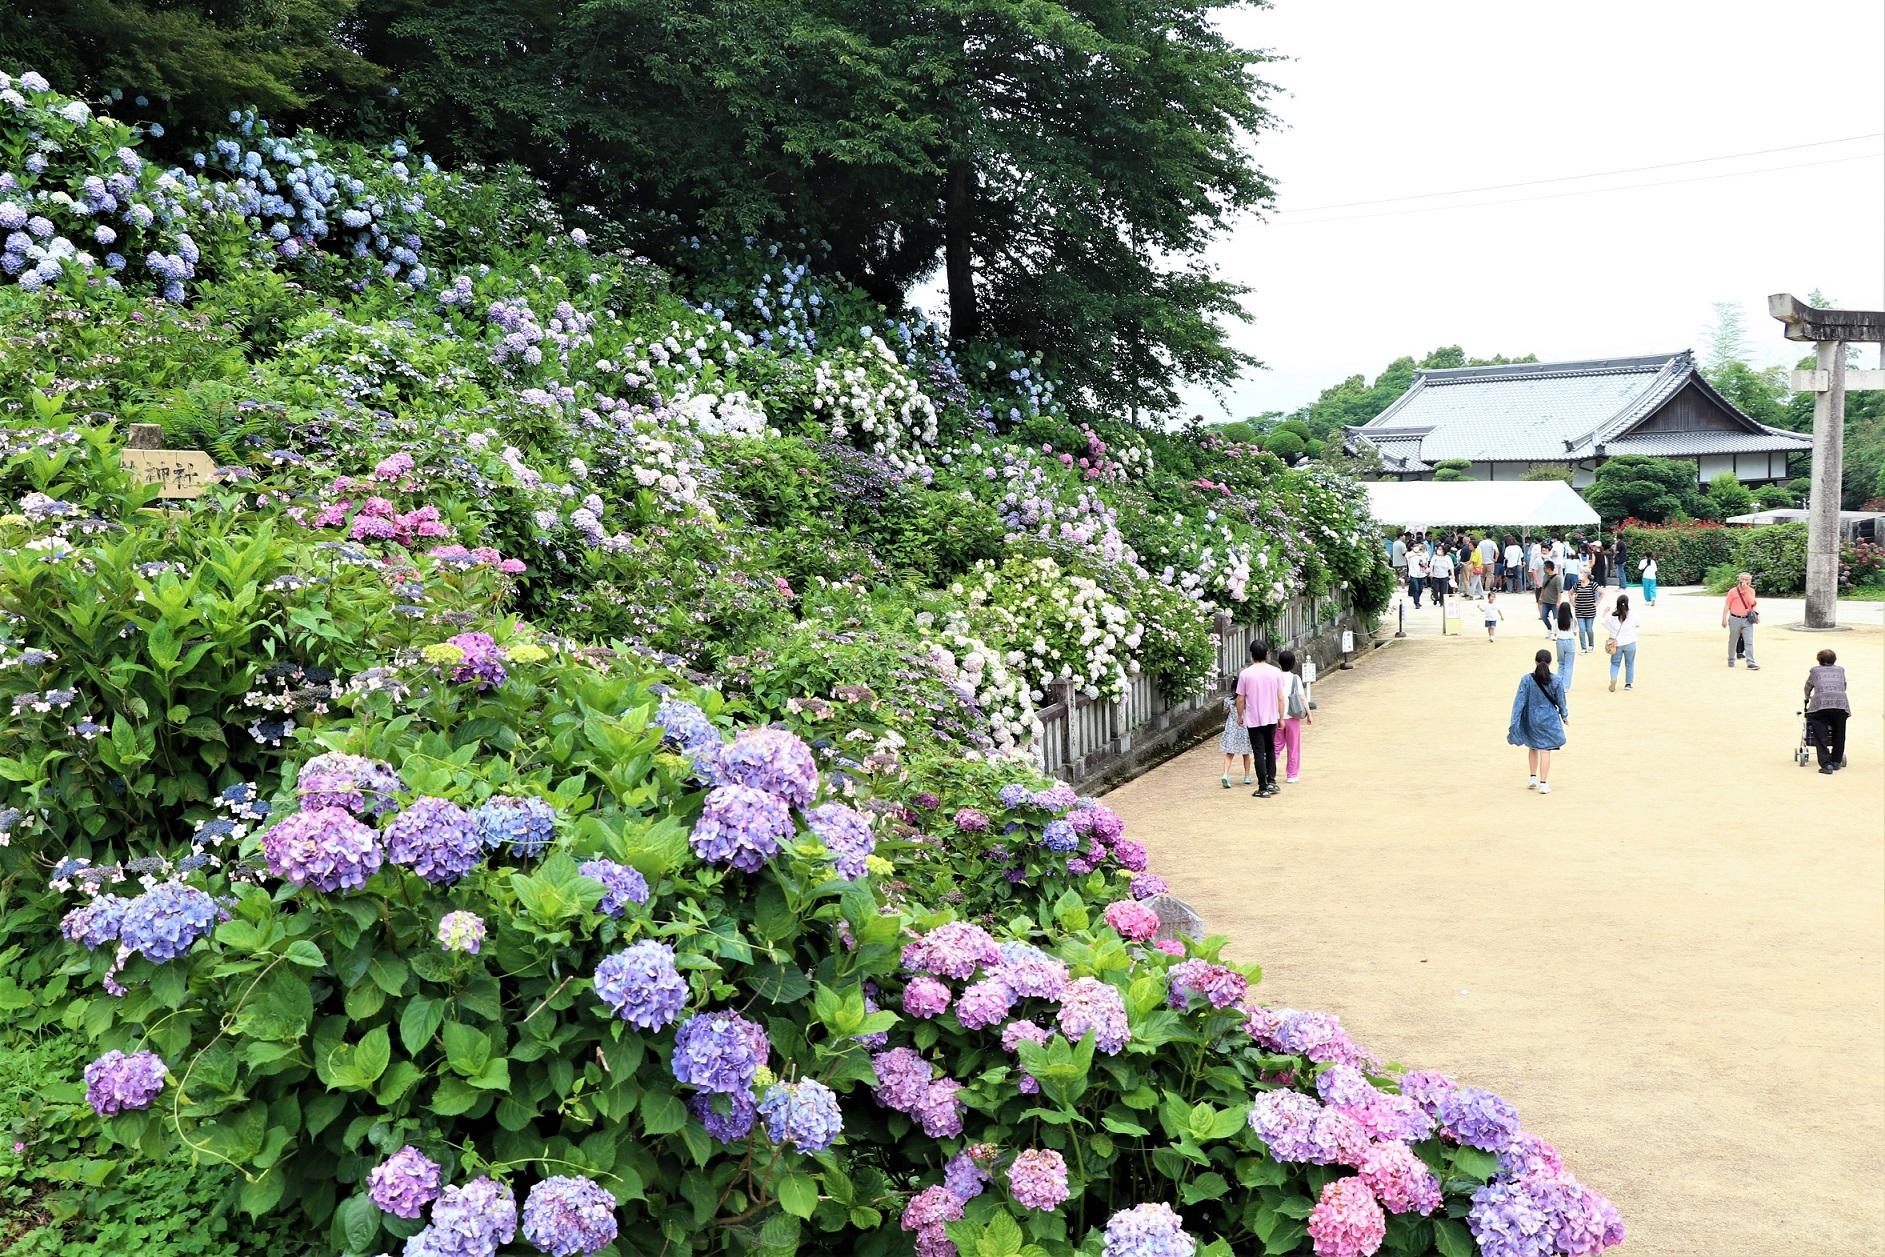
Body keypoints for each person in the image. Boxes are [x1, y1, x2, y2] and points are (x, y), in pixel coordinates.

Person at [1509, 648, 1568, 794]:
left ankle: (1532, 777)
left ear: (1535, 661)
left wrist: (1515, 721)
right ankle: (1543, 783)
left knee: (1533, 747)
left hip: (1531, 718)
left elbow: (1519, 702)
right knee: (1546, 751)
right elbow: (1561, 701)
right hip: (1549, 720)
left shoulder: (1526, 679)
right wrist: (1565, 716)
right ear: (1550, 662)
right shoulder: (1556, 680)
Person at [1235, 640, 1286, 797]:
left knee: (1259, 752)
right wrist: (1281, 717)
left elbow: (1240, 699)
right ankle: (1272, 781)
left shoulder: (1245, 674)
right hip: (1271, 717)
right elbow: (1280, 698)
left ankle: (1262, 787)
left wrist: (1240, 715)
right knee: (1270, 748)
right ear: (1267, 654)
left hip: (1254, 718)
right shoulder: (1275, 672)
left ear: (1251, 655)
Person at [1804, 649, 1850, 774]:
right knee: (1840, 733)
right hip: (1841, 705)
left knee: (1820, 734)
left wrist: (1807, 699)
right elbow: (1844, 685)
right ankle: (1836, 761)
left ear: (1819, 660)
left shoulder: (1814, 671)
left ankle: (1826, 764)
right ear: (1834, 659)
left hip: (1820, 705)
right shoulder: (1840, 670)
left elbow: (1808, 686)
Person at [1273, 648, 1312, 785]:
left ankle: (1269, 771)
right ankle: (1292, 774)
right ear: (1293, 663)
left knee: (1276, 745)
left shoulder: (1275, 677)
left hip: (1277, 716)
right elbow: (1302, 697)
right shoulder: (1295, 678)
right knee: (1293, 746)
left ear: (1279, 663)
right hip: (1292, 716)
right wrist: (1309, 714)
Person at [1602, 592, 1640, 691]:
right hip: (1630, 641)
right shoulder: (1632, 614)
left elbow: (1604, 622)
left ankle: (1613, 677)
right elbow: (1637, 624)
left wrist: (1605, 613)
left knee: (1615, 663)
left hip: (1616, 643)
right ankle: (1628, 684)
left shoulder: (1612, 616)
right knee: (1630, 663)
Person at [1723, 572, 1759, 670]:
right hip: (1735, 618)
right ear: (1740, 580)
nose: (1746, 582)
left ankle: (1751, 662)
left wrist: (1746, 591)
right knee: (1733, 640)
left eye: (1748, 580)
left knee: (1749, 641)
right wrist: (1724, 618)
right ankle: (1731, 659)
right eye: (1744, 579)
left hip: (1747, 619)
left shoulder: (1751, 591)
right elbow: (1727, 605)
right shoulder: (1733, 591)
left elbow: (1752, 603)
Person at [1218, 695, 1252, 788]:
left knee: (1229, 754)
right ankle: (1247, 776)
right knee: (1246, 754)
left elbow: (1225, 711)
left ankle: (1225, 774)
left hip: (1232, 729)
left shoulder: (1228, 700)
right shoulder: (1247, 700)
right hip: (1244, 728)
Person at [1572, 575, 1601, 653]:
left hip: (1590, 610)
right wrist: (1573, 602)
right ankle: (1583, 647)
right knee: (1581, 629)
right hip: (1579, 610)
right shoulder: (1577, 584)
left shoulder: (1593, 584)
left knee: (1589, 629)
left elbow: (1602, 592)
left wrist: (1597, 602)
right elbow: (1570, 593)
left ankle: (1591, 644)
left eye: (1582, 573)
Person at [1553, 602, 1577, 691]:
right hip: (1570, 642)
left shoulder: (1556, 621)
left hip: (1560, 642)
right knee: (1568, 665)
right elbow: (1575, 633)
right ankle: (1566, 686)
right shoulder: (1573, 621)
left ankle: (1558, 685)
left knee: (1561, 664)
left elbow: (1554, 633)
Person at [1536, 560, 1562, 632]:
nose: (1544, 569)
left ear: (1549, 569)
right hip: (1546, 601)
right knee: (1543, 616)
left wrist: (1558, 602)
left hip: (1554, 602)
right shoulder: (1545, 576)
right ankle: (1550, 629)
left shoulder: (1557, 578)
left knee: (1556, 618)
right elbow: (1543, 587)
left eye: (1545, 568)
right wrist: (1541, 597)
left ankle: (1556, 632)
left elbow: (1559, 591)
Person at [1407, 544, 1429, 609]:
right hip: (1413, 574)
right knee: (1415, 588)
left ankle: (1417, 599)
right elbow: (1408, 556)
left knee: (1420, 589)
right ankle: (1417, 602)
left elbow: (1425, 563)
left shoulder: (1423, 554)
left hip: (1421, 574)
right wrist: (1416, 554)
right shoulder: (1410, 553)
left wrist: (1424, 566)